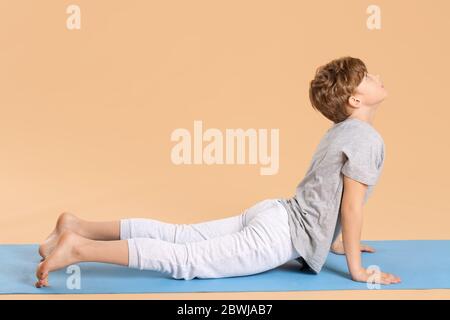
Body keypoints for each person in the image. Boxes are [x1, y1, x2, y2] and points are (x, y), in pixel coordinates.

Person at [35, 56, 401, 288]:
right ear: (355, 99)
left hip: (274, 212)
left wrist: (330, 240)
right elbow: (350, 206)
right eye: (367, 76)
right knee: (186, 261)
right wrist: (355, 268)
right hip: (279, 235)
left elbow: (323, 193)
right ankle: (79, 249)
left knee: (180, 236)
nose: (376, 76)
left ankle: (79, 226)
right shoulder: (365, 138)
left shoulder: (339, 131)